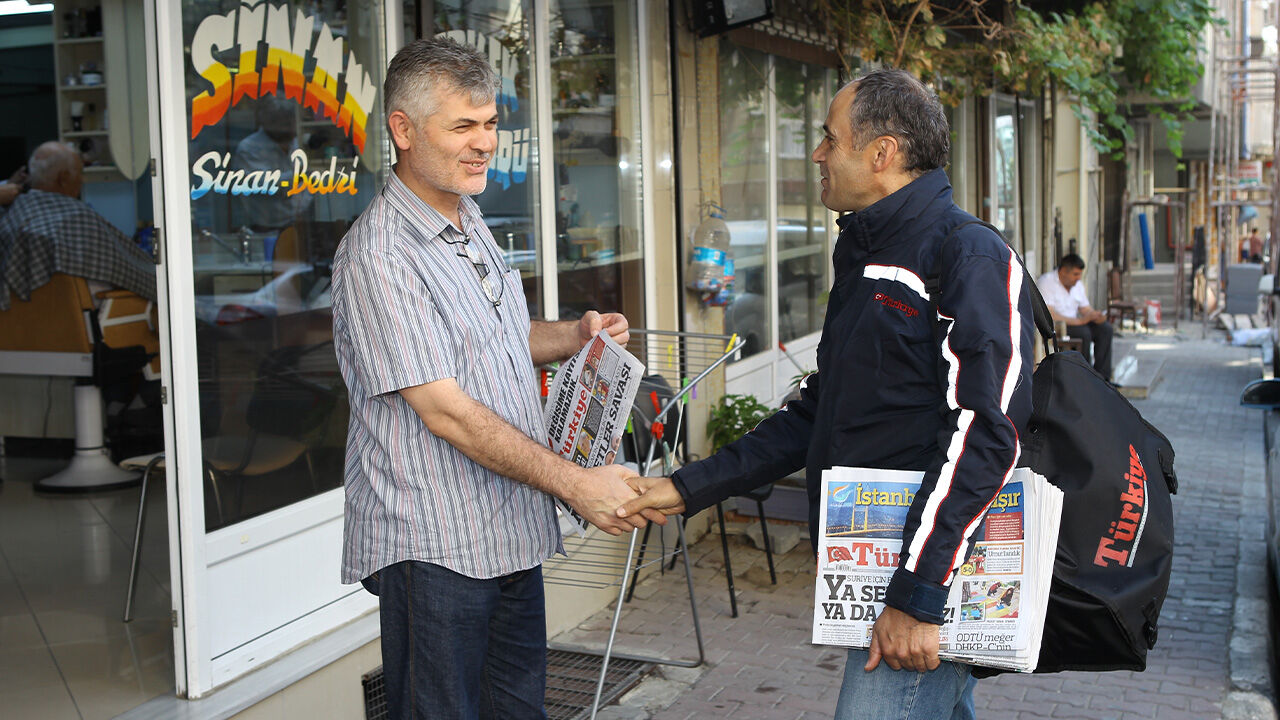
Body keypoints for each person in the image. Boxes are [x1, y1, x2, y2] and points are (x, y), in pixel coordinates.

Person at [618, 68, 1035, 720]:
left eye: (828, 139)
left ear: (881, 153)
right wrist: (685, 488)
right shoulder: (862, 254)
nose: (816, 154)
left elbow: (987, 431)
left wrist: (918, 595)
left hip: (923, 577)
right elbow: (820, 410)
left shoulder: (967, 256)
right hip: (871, 566)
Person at [331, 37, 657, 720]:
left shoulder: (467, 216)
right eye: (463, 126)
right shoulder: (380, 256)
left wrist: (573, 337)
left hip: (507, 528)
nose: (485, 144)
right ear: (403, 130)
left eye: (491, 124)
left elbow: (494, 341)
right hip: (436, 548)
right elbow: (444, 409)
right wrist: (576, 484)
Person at [0, 141, 155, 310]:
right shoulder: (79, 219)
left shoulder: (14, 214)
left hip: (28, 325)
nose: (82, 180)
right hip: (90, 320)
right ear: (64, 178)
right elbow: (133, 274)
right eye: (81, 173)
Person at [1037, 254, 1113, 380]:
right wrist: (1079, 321)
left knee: (1105, 329)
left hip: (1076, 322)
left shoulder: (1077, 284)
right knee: (1084, 333)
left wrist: (1095, 315)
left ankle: (1102, 377)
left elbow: (1085, 309)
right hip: (1057, 326)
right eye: (1075, 274)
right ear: (1063, 272)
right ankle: (1084, 376)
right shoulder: (1047, 282)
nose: (1078, 278)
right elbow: (1050, 315)